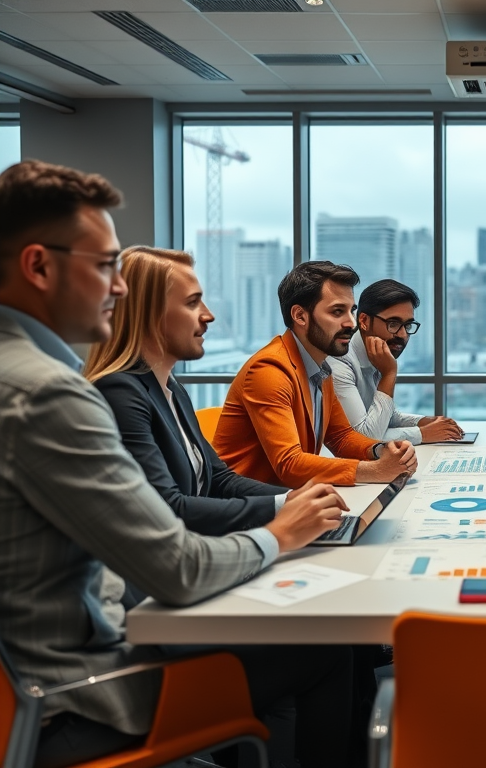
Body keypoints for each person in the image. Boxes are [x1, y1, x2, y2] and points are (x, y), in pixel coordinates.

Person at [0, 159, 353, 768]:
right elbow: (177, 567)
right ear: (38, 265)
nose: (117, 287)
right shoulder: (49, 394)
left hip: (45, 676)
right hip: (79, 697)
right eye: (106, 266)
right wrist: (279, 533)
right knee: (331, 646)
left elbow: (204, 486)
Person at [84, 246, 328, 542]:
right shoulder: (120, 392)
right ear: (149, 315)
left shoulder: (172, 388)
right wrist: (283, 507)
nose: (208, 316)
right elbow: (169, 508)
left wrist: (299, 498)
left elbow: (219, 480)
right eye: (192, 303)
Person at [214, 261, 417, 487]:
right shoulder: (269, 370)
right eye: (337, 311)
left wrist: (382, 451)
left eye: (351, 311)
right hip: (246, 509)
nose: (351, 323)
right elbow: (289, 464)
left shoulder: (321, 368)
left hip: (289, 501)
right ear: (300, 316)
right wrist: (375, 471)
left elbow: (341, 438)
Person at [332, 278, 464, 444]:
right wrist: (422, 434)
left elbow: (383, 416)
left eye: (408, 325)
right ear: (364, 321)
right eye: (393, 323)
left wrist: (424, 422)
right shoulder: (339, 361)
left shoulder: (377, 351)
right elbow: (364, 438)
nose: (402, 335)